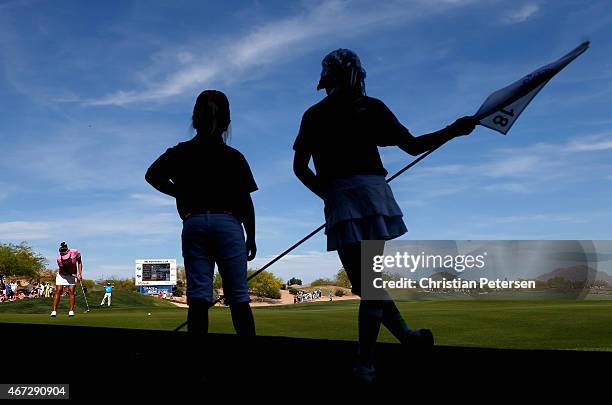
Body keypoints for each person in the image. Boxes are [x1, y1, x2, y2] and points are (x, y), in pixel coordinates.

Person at [293, 49, 475, 383]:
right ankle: (368, 360)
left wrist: (329, 195)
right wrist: (454, 129)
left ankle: (403, 338)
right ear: (356, 75)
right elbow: (414, 145)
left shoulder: (313, 114)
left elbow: (299, 168)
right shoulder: (369, 106)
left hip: (340, 201)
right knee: (369, 285)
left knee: (367, 285)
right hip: (369, 196)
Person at [146, 90, 258, 347]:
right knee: (238, 296)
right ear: (227, 123)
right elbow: (246, 201)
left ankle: (197, 363)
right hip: (229, 224)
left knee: (198, 296)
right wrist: (251, 236)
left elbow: (152, 175)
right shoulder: (234, 156)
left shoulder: (180, 152)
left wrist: (179, 191)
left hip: (194, 222)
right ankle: (251, 360)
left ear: (194, 120)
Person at [50, 242, 83, 317]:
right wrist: (75, 275)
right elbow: (64, 271)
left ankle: (71, 311)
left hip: (73, 273)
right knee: (58, 290)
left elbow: (79, 262)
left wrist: (80, 274)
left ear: (68, 252)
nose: (64, 257)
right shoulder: (59, 260)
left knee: (71, 291)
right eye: (63, 255)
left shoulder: (75, 252)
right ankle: (54, 311)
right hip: (62, 274)